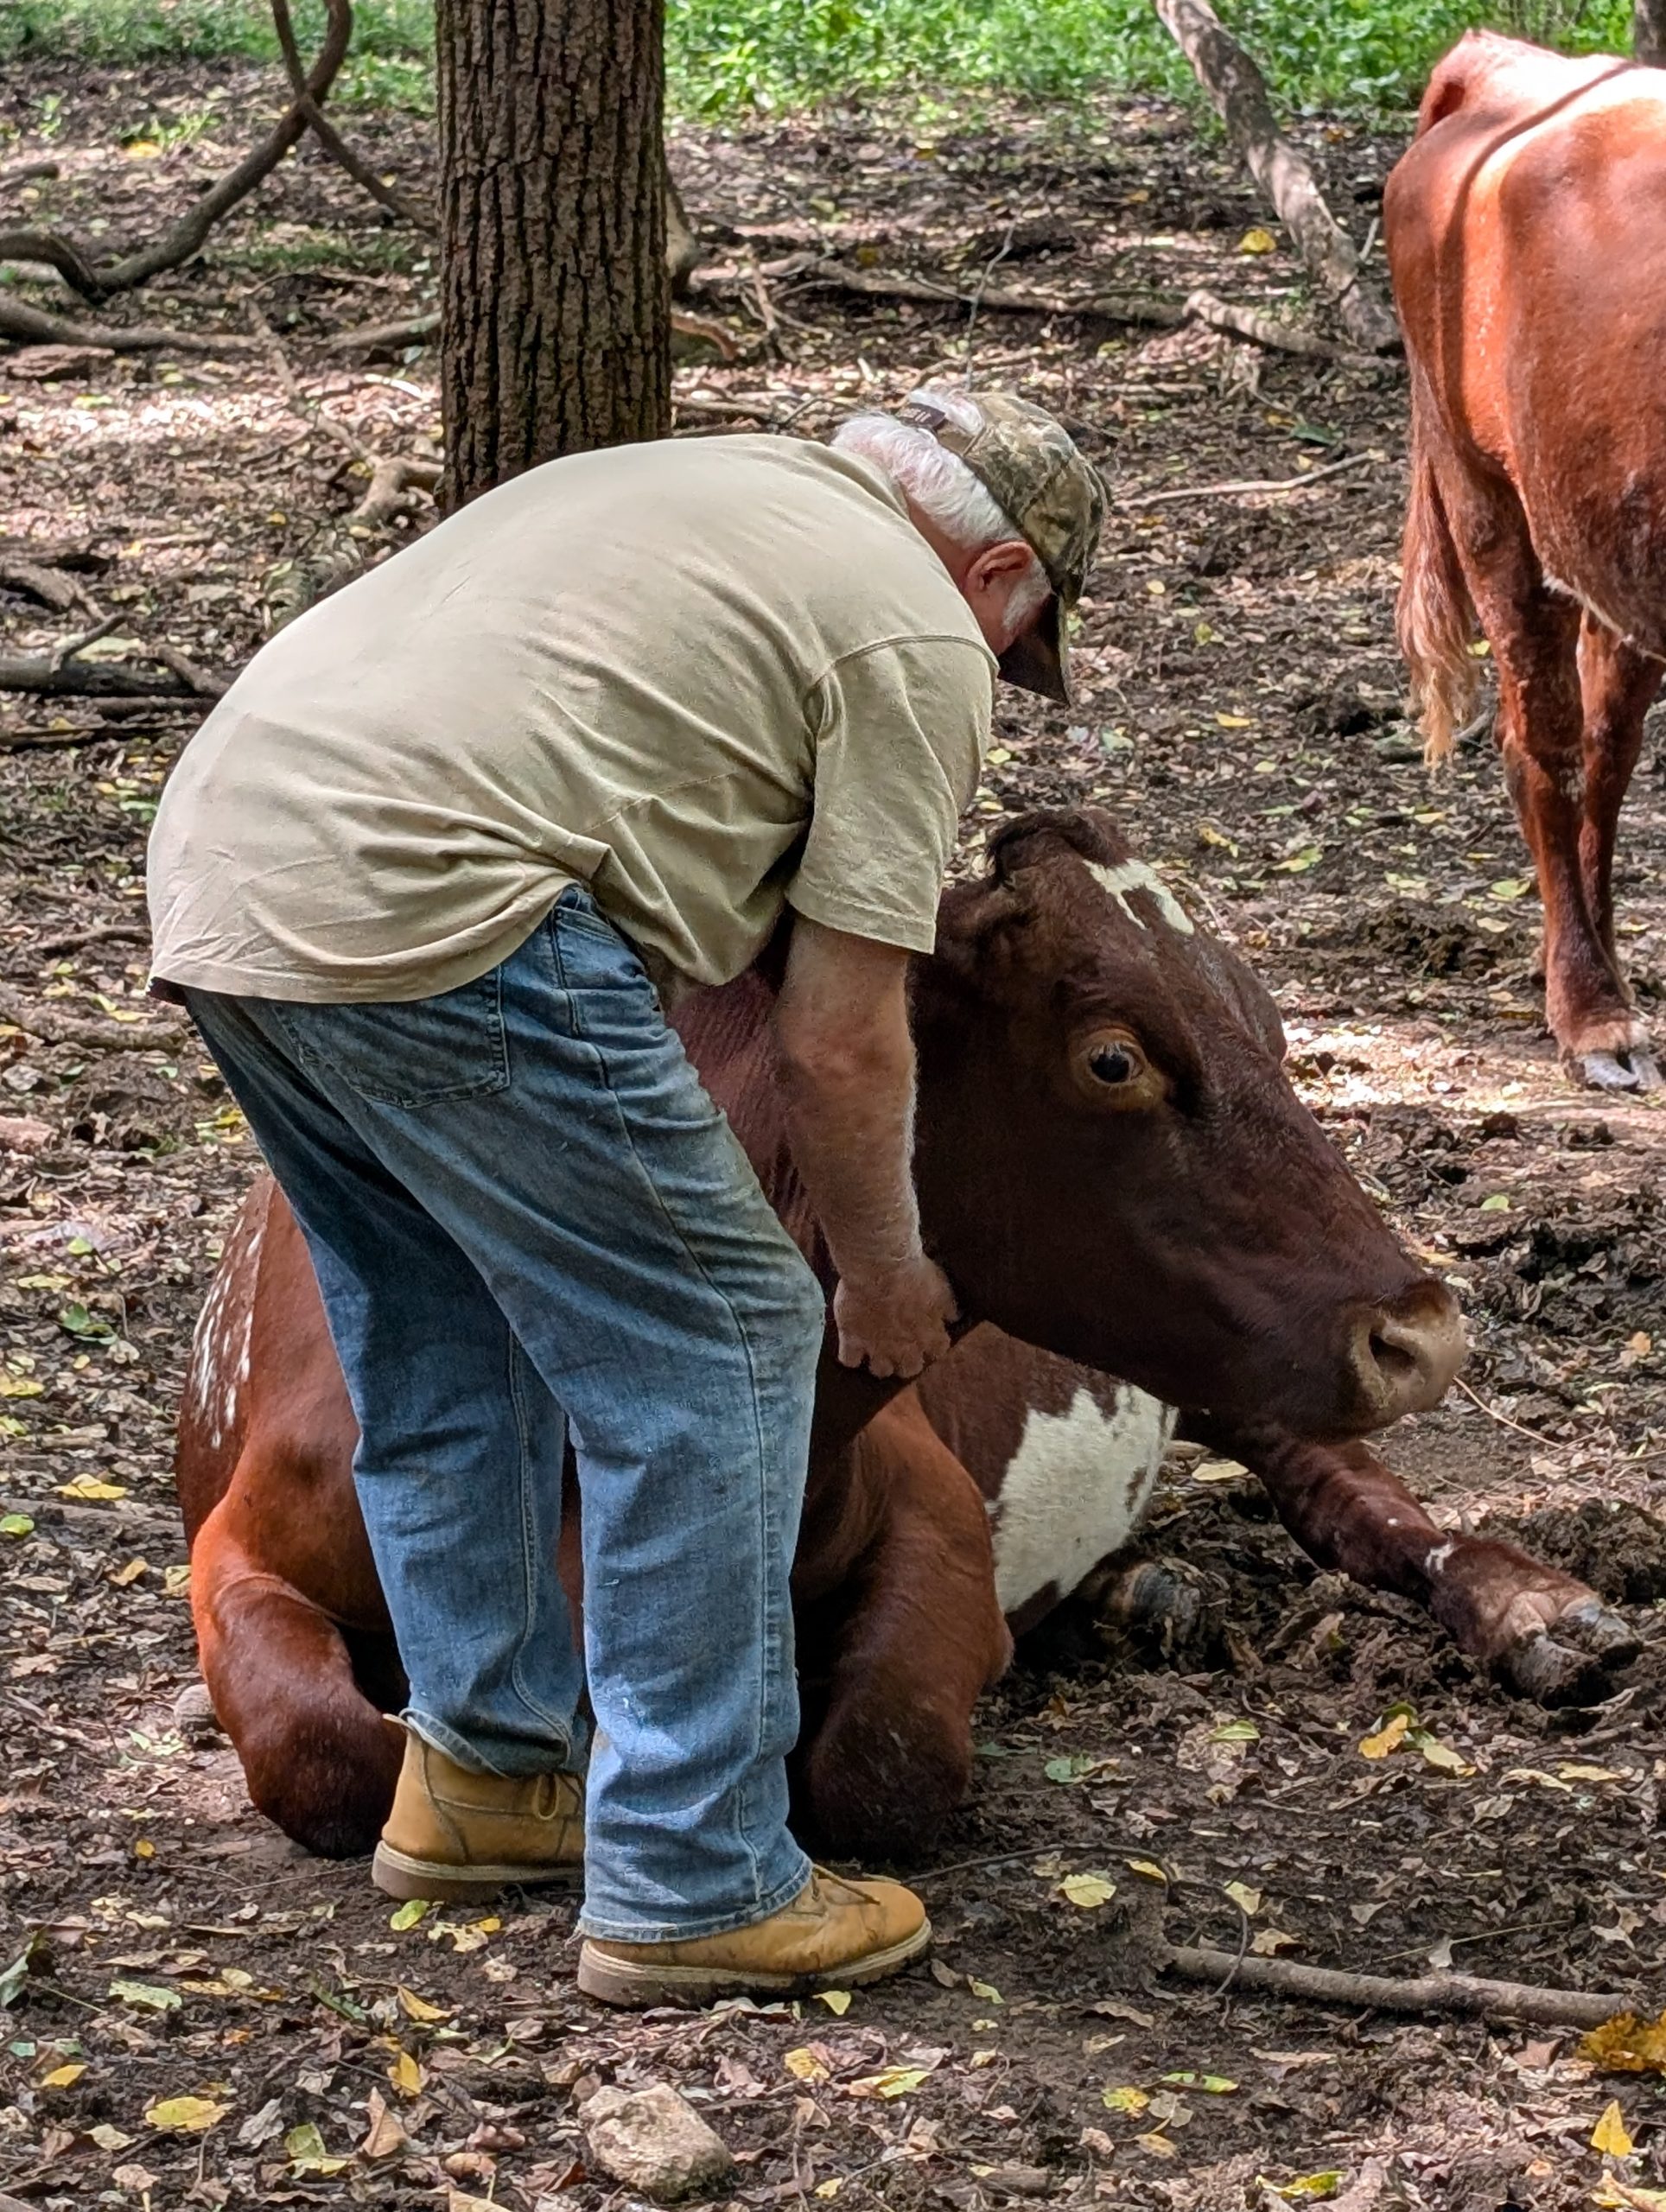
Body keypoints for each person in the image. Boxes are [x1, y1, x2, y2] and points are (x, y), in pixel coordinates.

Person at [146, 385, 1103, 2008]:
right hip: (442, 898)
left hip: (227, 869)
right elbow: (840, 1032)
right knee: (724, 1341)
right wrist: (880, 1269)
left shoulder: (686, 484)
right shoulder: (909, 630)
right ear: (998, 567)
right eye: (1020, 639)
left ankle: (489, 1776)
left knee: (436, 1325)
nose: (1000, 673)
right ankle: (696, 1874)